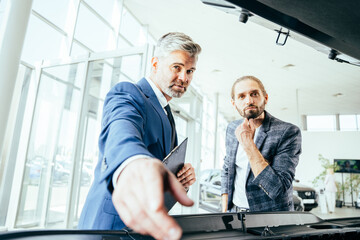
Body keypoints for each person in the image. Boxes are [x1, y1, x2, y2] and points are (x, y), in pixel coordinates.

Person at [78, 32, 201, 240]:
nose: (184, 77)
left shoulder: (167, 113)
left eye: (190, 71)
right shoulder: (129, 93)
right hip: (111, 227)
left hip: (142, 228)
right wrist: (132, 162)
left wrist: (178, 180)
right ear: (155, 63)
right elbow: (121, 129)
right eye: (176, 67)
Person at [221, 75, 302, 212]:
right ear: (234, 103)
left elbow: (277, 189)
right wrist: (224, 212)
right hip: (234, 212)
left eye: (254, 94)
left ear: (265, 98)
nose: (249, 100)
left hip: (270, 217)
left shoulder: (288, 132)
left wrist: (248, 145)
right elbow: (227, 169)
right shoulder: (232, 128)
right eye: (241, 96)